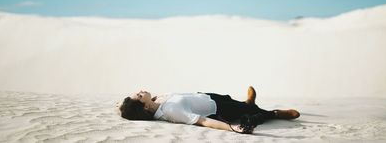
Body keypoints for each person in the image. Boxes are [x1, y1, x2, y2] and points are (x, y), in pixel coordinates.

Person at [119, 86, 300, 134]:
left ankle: (248, 102)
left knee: (234, 100)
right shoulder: (171, 111)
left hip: (207, 97)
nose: (141, 91)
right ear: (145, 106)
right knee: (249, 111)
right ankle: (276, 113)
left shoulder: (157, 101)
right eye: (139, 95)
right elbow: (202, 121)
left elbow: (129, 109)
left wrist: (124, 107)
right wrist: (231, 128)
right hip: (217, 109)